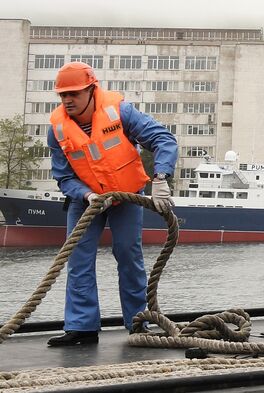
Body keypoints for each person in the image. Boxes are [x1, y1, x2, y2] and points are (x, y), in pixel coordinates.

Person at [45, 61, 178, 346]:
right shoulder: (57, 129)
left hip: (126, 195)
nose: (67, 100)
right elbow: (63, 175)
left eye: (74, 94)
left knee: (128, 255)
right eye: (63, 95)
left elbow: (163, 140)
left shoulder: (120, 112)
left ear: (92, 90)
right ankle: (81, 327)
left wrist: (161, 177)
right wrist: (86, 195)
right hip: (86, 200)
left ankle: (138, 323)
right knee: (78, 259)